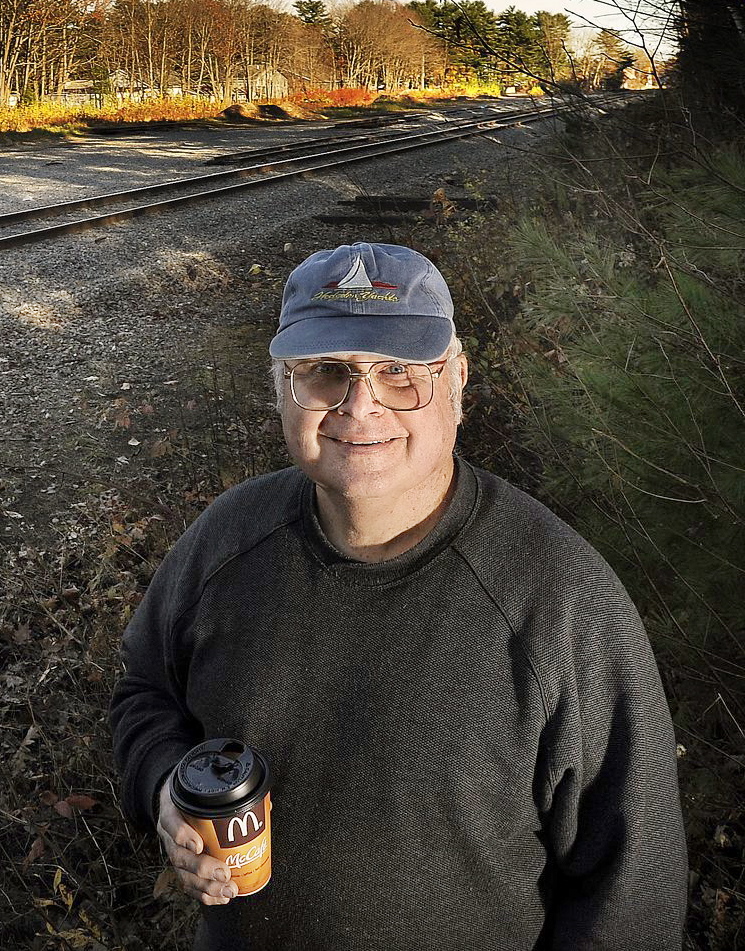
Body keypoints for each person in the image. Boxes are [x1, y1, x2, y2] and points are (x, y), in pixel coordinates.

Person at [110, 242, 688, 951]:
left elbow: (632, 893)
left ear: (457, 380)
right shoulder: (225, 543)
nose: (361, 404)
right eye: (325, 372)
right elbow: (144, 692)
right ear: (278, 387)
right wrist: (165, 785)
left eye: (398, 372)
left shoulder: (560, 601)